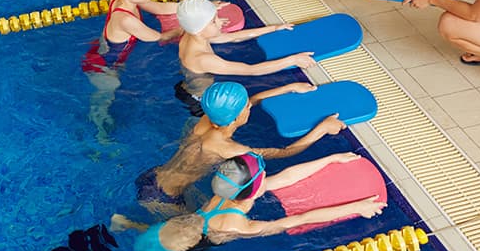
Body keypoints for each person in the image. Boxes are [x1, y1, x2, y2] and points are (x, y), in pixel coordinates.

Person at [116, 151, 387, 251]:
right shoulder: (238, 225)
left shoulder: (224, 194)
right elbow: (298, 220)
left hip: (159, 233)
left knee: (180, 231)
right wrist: (356, 207)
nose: (269, 177)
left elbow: (287, 177)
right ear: (255, 191)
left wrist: (331, 159)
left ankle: (128, 224)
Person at [136, 80, 346, 215]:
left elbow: (246, 104)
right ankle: (128, 224)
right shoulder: (231, 149)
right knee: (196, 231)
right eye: (246, 106)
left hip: (152, 176)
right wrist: (323, 128)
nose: (250, 106)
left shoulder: (207, 120)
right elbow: (285, 152)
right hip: (164, 198)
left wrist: (287, 88)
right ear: (237, 116)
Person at [82, 0, 183, 142]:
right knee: (107, 95)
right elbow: (159, 37)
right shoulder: (126, 19)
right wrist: (189, 26)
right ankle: (100, 134)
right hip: (103, 67)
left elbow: (159, 8)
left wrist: (194, 7)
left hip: (102, 53)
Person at [176, 0, 317, 100]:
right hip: (199, 101)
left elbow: (233, 37)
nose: (221, 22)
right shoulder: (203, 59)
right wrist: (293, 60)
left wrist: (274, 28)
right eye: (214, 21)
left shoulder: (191, 34)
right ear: (199, 30)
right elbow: (252, 70)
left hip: (188, 85)